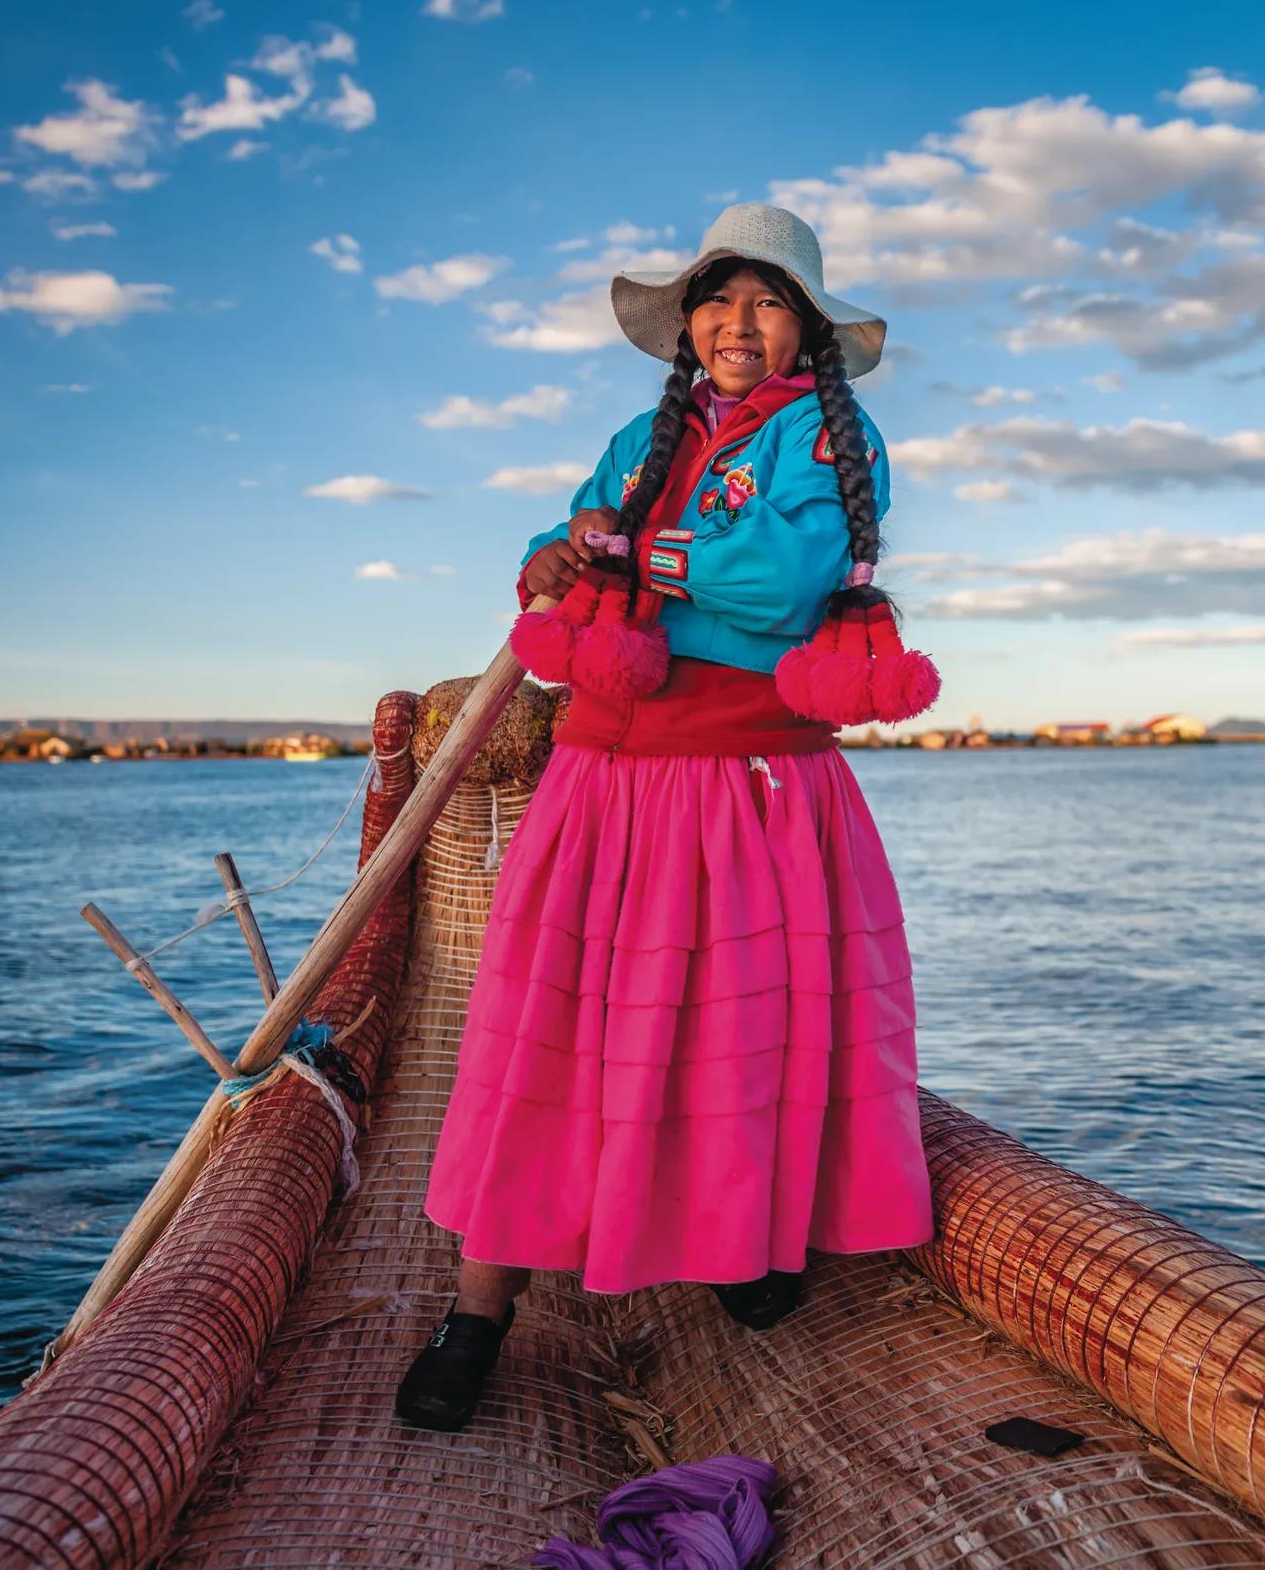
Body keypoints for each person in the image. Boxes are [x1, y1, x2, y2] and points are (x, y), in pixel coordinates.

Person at [396, 203, 938, 1433]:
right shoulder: (641, 435)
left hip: (752, 778)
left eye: (766, 300)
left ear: (804, 328)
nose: (736, 323)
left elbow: (784, 580)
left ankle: (744, 1239)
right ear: (686, 322)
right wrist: (558, 553)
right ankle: (477, 1310)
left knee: (744, 1028)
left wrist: (642, 555)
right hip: (604, 772)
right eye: (716, 299)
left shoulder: (832, 440)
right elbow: (570, 535)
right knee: (549, 1025)